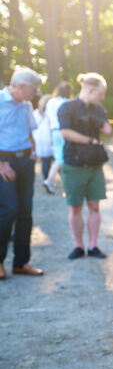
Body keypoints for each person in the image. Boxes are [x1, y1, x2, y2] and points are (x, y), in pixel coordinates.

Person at [59, 72, 111, 260]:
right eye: (100, 94)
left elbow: (107, 128)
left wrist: (94, 118)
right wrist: (89, 140)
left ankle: (93, 245)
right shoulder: (67, 108)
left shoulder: (98, 109)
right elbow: (65, 133)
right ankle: (78, 245)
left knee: (95, 206)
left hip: (95, 165)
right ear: (90, 90)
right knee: (75, 207)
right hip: (74, 164)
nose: (102, 98)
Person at [0, 67, 45, 279]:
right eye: (33, 89)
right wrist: (2, 165)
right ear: (21, 86)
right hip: (4, 162)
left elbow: (29, 131)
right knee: (9, 209)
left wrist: (32, 152)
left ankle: (21, 262)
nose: (35, 93)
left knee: (26, 212)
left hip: (25, 161)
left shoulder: (26, 105)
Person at [42, 81, 73, 195]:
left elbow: (47, 117)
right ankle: (49, 180)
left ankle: (60, 182)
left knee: (59, 157)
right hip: (64, 131)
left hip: (54, 132)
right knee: (62, 158)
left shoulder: (51, 102)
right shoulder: (67, 103)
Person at [33, 95, 55, 183]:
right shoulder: (51, 113)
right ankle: (49, 180)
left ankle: (46, 179)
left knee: (45, 162)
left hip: (39, 139)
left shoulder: (35, 113)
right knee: (58, 160)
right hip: (49, 139)